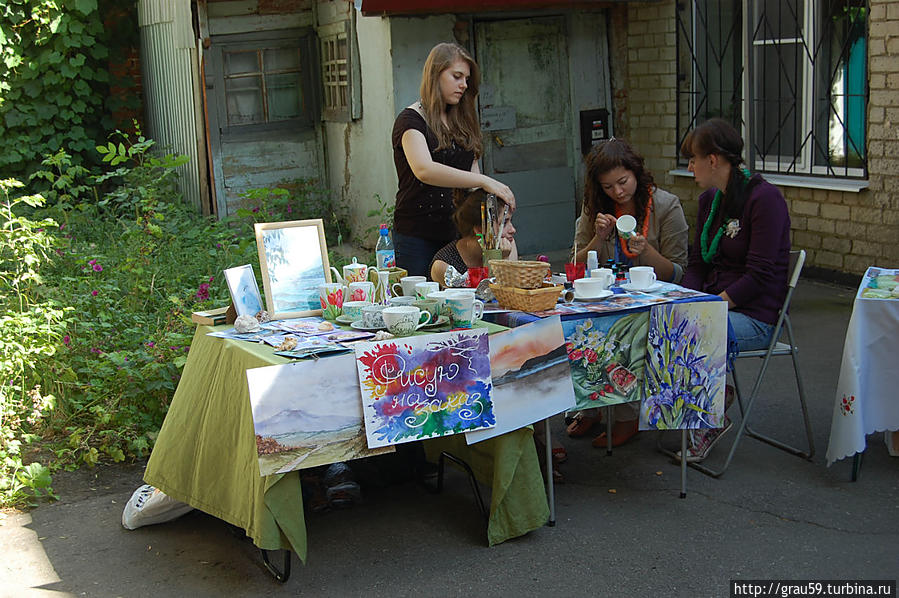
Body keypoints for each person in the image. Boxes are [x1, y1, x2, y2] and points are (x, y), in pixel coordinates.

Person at [679, 117, 791, 462]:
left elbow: (759, 275)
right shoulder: (711, 200)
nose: (689, 166)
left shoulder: (764, 199)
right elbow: (698, 264)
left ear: (713, 160)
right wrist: (683, 300)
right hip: (718, 305)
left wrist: (710, 307)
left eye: (693, 158)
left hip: (755, 315)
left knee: (696, 329)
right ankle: (686, 411)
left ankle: (710, 413)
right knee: (668, 319)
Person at [568, 138, 689, 447]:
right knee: (578, 329)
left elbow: (677, 273)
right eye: (608, 187)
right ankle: (592, 405)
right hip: (607, 300)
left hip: (653, 305)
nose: (618, 192)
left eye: (622, 182)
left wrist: (646, 251)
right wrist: (598, 238)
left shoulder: (665, 205)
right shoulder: (595, 208)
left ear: (636, 172)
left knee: (617, 332)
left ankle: (627, 416)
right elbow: (575, 264)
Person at [392, 42, 516, 277]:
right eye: (457, 76)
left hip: (458, 234)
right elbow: (424, 169)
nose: (464, 85)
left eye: (467, 79)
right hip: (416, 234)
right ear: (435, 75)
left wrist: (496, 212)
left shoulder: (463, 121)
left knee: (463, 303)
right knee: (421, 303)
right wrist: (486, 181)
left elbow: (472, 178)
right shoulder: (410, 121)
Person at [429, 188, 517, 285]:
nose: (513, 230)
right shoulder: (444, 264)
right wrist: (499, 261)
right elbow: (487, 295)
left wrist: (504, 260)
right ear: (480, 229)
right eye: (504, 223)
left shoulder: (507, 245)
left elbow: (512, 293)